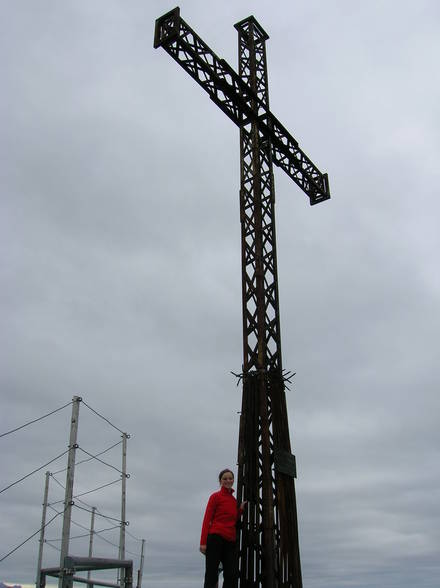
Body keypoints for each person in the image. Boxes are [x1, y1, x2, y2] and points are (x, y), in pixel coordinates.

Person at [200, 469, 246, 588]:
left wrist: (240, 510)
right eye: (225, 478)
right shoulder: (215, 497)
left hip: (230, 540)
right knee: (211, 574)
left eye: (230, 478)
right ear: (220, 481)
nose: (228, 480)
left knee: (231, 574)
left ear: (233, 480)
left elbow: (232, 520)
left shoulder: (233, 500)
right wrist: (203, 543)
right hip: (215, 538)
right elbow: (207, 519)